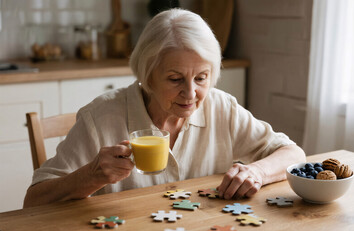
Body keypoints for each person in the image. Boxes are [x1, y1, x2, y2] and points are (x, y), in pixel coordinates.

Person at [23, 9, 305, 208]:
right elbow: (33, 202)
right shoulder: (100, 118)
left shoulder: (222, 108)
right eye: (175, 78)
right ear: (147, 75)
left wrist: (256, 172)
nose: (191, 93)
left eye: (201, 78)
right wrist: (90, 175)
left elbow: (292, 153)